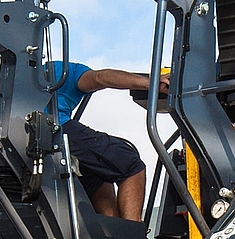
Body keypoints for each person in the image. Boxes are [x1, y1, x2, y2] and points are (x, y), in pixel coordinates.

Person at [50, 63, 167, 221]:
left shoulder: (25, 77)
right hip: (57, 127)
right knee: (130, 164)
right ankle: (133, 236)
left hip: (35, 138)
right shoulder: (62, 70)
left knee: (99, 174)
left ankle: (113, 235)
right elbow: (100, 77)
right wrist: (150, 83)